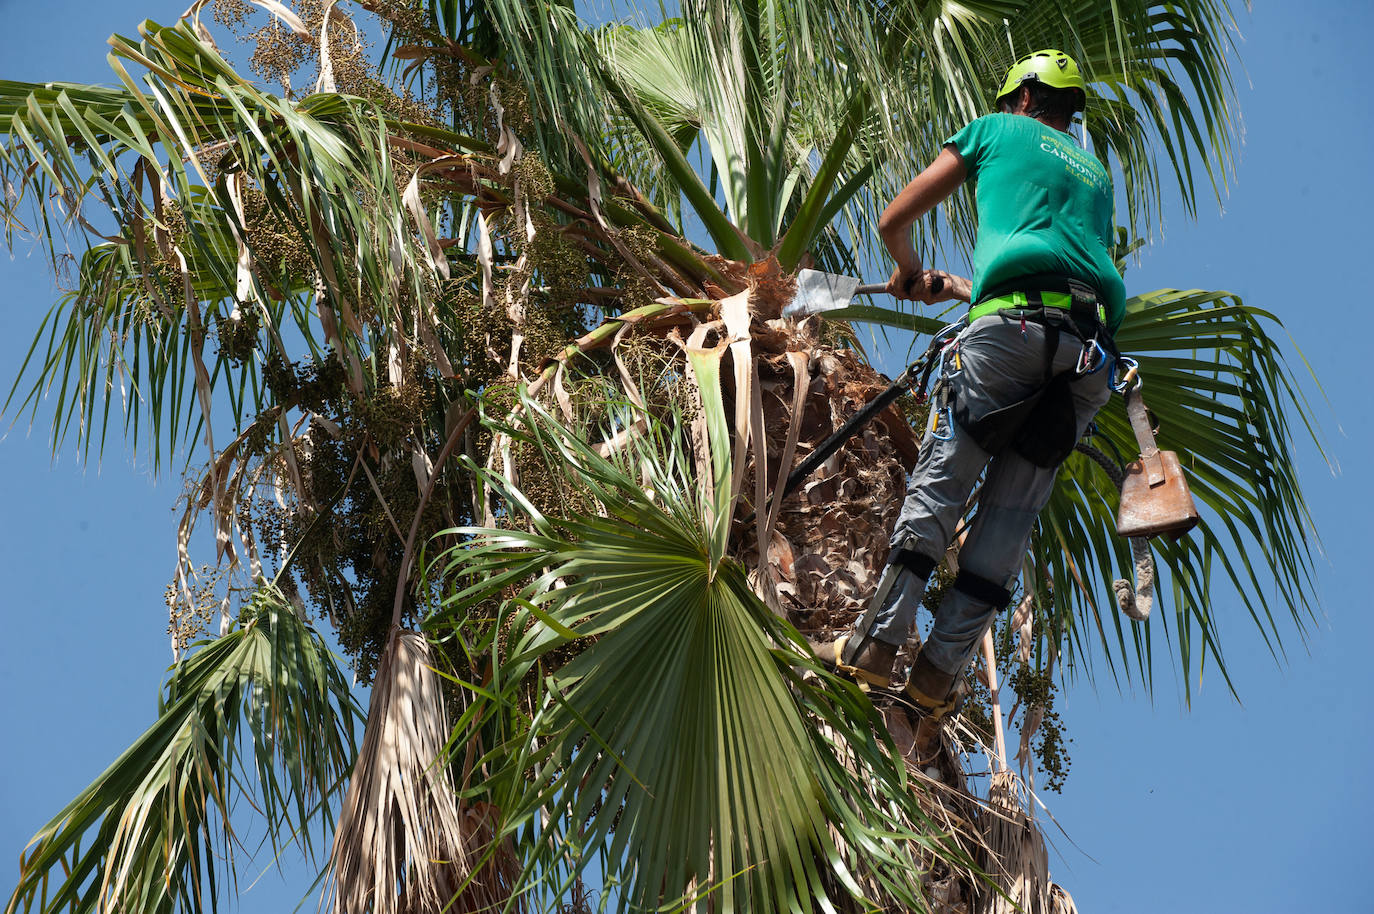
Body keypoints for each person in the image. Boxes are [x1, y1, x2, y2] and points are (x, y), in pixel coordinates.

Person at [814, 49, 1126, 745]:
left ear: (1019, 97)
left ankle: (873, 647)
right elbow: (1061, 264)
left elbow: (896, 216)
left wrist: (909, 269)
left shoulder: (995, 129)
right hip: (1087, 357)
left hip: (1010, 332)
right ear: (1067, 112)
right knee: (1009, 520)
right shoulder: (1095, 174)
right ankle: (936, 677)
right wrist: (960, 289)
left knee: (944, 482)